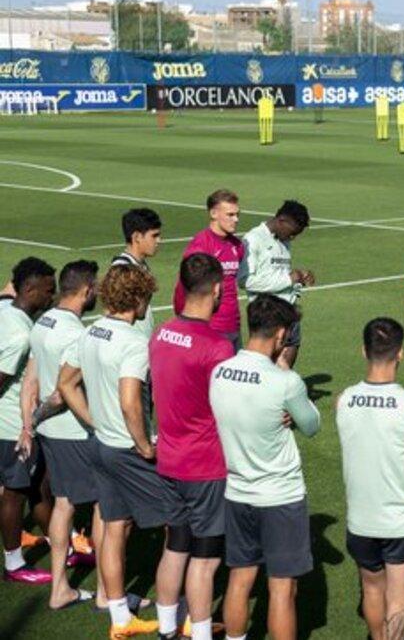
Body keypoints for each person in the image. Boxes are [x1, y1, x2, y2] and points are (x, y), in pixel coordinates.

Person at [57, 265, 169, 637]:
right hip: (127, 450)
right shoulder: (134, 341)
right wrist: (143, 445)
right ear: (137, 299)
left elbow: (65, 383)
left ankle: (119, 617)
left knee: (114, 526)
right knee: (178, 526)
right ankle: (181, 611)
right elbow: (129, 400)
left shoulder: (91, 332)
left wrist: (93, 421)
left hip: (101, 444)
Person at [210, 295, 321, 640]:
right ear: (281, 334)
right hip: (280, 498)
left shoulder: (220, 371)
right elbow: (312, 424)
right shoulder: (284, 382)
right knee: (282, 589)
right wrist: (286, 376)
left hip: (238, 492)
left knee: (240, 579)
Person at [150, 254, 238, 640]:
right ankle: (201, 633)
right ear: (218, 289)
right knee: (205, 557)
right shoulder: (217, 347)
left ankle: (167, 628)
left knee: (175, 545)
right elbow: (230, 409)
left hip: (169, 459)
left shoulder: (161, 333)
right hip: (206, 464)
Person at [337, 317, 404, 640]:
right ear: (400, 354)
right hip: (401, 520)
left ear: (364, 351)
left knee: (372, 590)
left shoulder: (343, 400)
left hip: (361, 520)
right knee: (399, 603)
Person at [23, 260, 100, 606]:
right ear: (85, 291)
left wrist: (30, 423)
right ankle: (107, 594)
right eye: (95, 286)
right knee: (105, 505)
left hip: (52, 434)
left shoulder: (43, 323)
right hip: (74, 433)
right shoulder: (76, 335)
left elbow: (31, 380)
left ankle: (60, 588)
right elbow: (60, 392)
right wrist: (97, 424)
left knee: (63, 505)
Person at [0, 257, 57, 586]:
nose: (51, 297)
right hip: (12, 428)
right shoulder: (22, 335)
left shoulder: (6, 310)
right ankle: (13, 563)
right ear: (30, 289)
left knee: (37, 487)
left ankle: (61, 542)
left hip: (13, 425)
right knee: (15, 492)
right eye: (47, 291)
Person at [238, 199, 313, 369]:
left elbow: (278, 273)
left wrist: (299, 279)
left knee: (291, 350)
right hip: (267, 314)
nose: (292, 237)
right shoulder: (253, 239)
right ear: (282, 221)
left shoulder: (283, 240)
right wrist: (289, 279)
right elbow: (245, 281)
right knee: (263, 365)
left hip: (289, 308)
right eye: (292, 232)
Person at [173, 189, 244, 348]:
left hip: (233, 326)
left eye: (237, 214)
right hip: (210, 328)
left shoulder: (237, 245)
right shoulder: (201, 246)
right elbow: (183, 286)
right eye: (230, 215)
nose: (236, 219)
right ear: (213, 213)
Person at [111, 208, 162, 339]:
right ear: (137, 237)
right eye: (154, 236)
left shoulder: (141, 266)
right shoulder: (121, 270)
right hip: (129, 346)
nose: (159, 241)